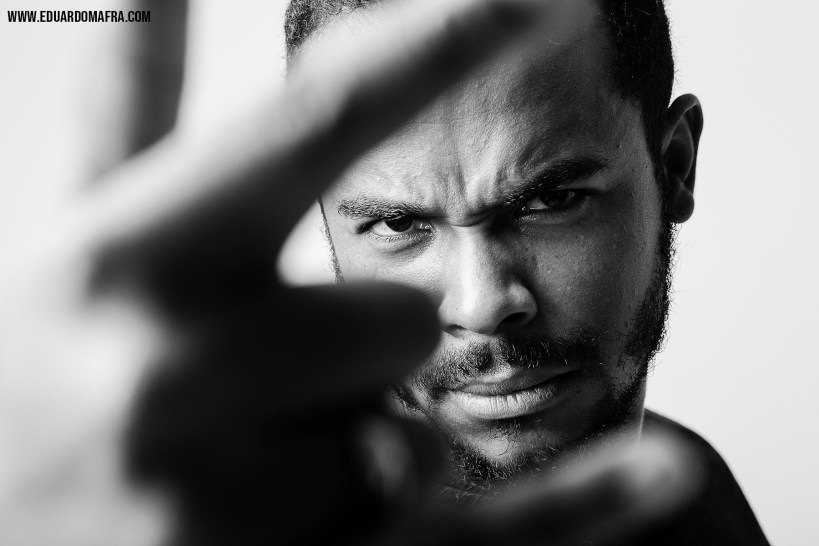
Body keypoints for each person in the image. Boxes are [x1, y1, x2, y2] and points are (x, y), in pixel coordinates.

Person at [0, 1, 768, 545]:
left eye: (551, 200)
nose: (482, 303)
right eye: (399, 224)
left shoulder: (691, 493)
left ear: (674, 164)